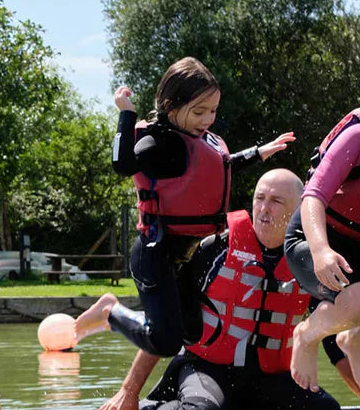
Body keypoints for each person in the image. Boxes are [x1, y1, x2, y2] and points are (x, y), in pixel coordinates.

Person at [91, 169, 342, 410]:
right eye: (260, 198)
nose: (263, 208)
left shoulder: (312, 259)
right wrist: (129, 391)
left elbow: (335, 340)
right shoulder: (214, 248)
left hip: (271, 379)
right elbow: (166, 324)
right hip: (207, 369)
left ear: (299, 211)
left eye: (276, 201)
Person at [74, 58, 294, 356]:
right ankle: (110, 312)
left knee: (193, 332)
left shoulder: (203, 141)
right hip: (157, 251)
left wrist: (259, 152)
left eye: (213, 111)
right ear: (170, 106)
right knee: (166, 341)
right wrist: (126, 114)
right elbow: (122, 163)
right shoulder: (159, 142)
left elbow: (222, 167)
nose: (208, 119)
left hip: (189, 252)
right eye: (199, 111)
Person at [285, 104, 360, 410]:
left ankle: (355, 344)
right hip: (312, 239)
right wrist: (321, 250)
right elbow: (313, 197)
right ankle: (306, 335)